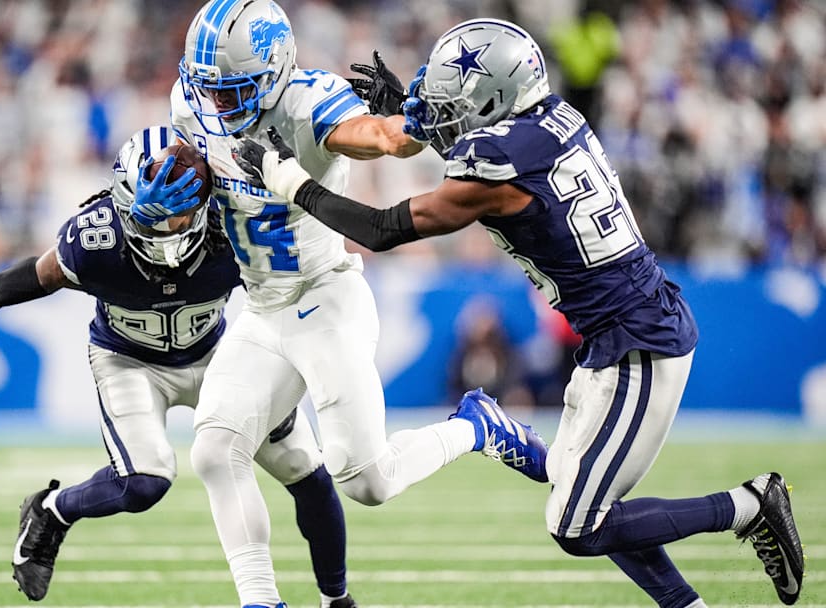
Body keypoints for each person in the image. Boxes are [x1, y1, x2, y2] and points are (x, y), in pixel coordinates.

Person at [235, 18, 805, 608]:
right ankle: (499, 432)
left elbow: (382, 230)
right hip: (623, 326)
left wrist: (292, 182)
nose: (443, 109)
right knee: (578, 495)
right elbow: (491, 160)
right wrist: (413, 108)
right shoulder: (552, 116)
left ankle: (751, 503)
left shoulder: (498, 162)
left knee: (579, 523)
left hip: (638, 342)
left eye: (455, 101)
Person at [0, 126, 357, 607]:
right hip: (129, 362)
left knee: (304, 470)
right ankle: (53, 509)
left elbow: (298, 296)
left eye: (178, 216)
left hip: (220, 354)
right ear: (122, 204)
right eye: (153, 217)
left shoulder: (232, 228)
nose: (168, 232)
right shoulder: (93, 241)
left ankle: (337, 600)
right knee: (145, 481)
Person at [134, 3, 549, 607]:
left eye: (233, 91)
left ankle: (474, 426)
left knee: (366, 480)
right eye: (210, 90)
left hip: (324, 297)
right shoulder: (191, 103)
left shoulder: (306, 102)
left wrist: (408, 119)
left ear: (274, 70)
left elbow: (382, 138)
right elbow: (197, 173)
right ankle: (261, 601)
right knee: (215, 448)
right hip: (260, 306)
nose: (218, 106)